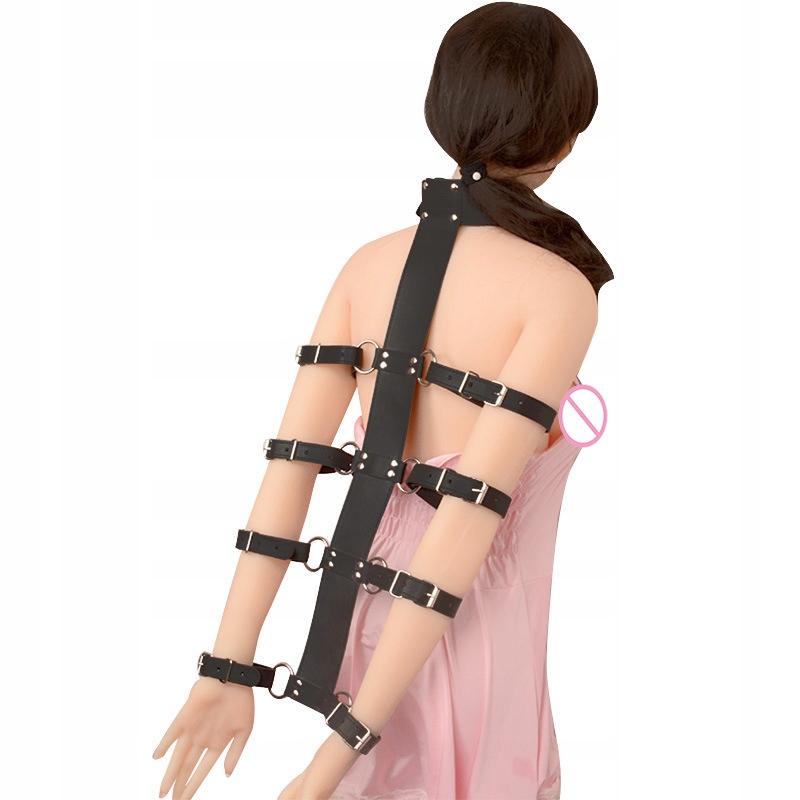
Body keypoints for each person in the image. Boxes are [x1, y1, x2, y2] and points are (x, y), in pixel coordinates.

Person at [152, 3, 613, 799]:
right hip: (473, 639)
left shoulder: (366, 267)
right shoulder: (557, 290)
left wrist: (230, 667)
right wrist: (335, 755)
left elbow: (290, 471)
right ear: (565, 137)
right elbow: (467, 517)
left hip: (369, 627)